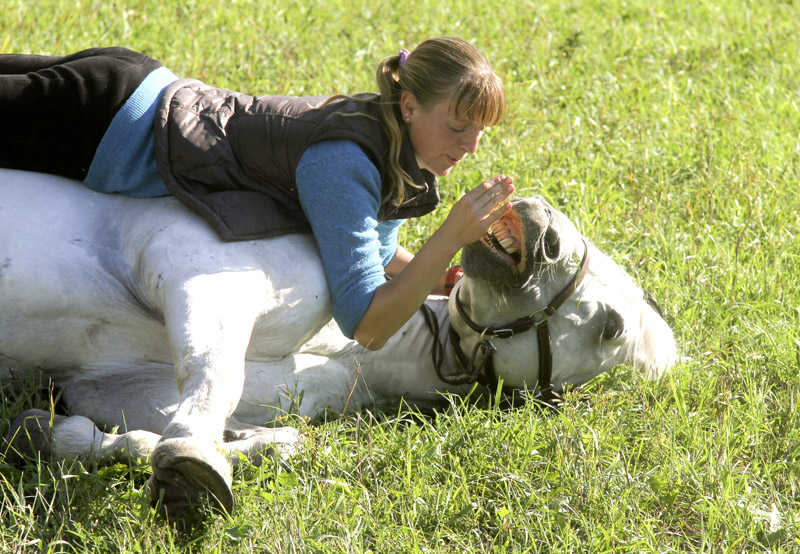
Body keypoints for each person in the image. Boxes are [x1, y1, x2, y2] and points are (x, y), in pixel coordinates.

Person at [0, 37, 514, 350]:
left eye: (481, 130)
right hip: (105, 120)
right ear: (408, 106)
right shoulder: (347, 164)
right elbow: (366, 325)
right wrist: (447, 239)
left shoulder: (396, 151)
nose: (470, 145)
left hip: (138, 86)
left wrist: (442, 276)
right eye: (457, 127)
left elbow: (372, 250)